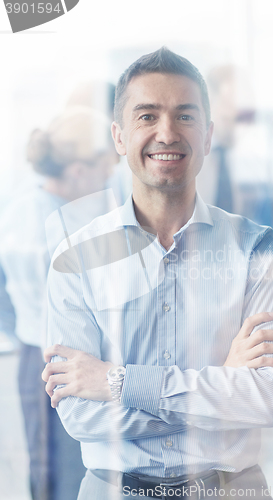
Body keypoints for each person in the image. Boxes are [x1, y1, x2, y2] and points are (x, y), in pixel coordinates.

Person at [42, 48, 273, 500]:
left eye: (185, 116)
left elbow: (265, 398)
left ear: (208, 135)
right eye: (147, 116)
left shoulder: (256, 248)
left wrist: (117, 382)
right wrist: (221, 383)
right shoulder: (75, 258)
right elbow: (81, 415)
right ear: (119, 137)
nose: (167, 133)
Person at [0, 106, 119, 500]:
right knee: (71, 474)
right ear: (78, 171)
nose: (109, 180)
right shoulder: (65, 230)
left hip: (32, 357)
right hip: (69, 366)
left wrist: (23, 332)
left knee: (45, 469)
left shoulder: (17, 211)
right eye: (105, 169)